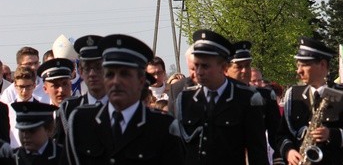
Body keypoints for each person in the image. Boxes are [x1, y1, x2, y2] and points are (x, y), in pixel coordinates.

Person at [65, 33, 184, 164]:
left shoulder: (162, 127)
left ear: (141, 80)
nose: (116, 82)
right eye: (109, 74)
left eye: (124, 74)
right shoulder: (81, 121)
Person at [174, 29, 277, 165]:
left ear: (223, 67)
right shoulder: (185, 100)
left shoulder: (246, 99)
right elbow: (178, 150)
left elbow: (257, 153)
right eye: (196, 66)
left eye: (205, 66)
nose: (199, 72)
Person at [277, 37, 343, 165]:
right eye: (298, 65)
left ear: (323, 64)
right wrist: (289, 151)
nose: (299, 71)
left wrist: (331, 134)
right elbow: (281, 135)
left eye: (304, 65)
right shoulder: (293, 94)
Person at [58, 35, 109, 142]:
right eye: (87, 68)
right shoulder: (69, 109)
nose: (92, 74)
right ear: (80, 71)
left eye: (98, 67)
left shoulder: (121, 105)